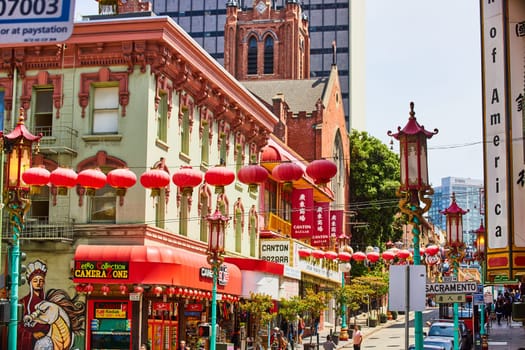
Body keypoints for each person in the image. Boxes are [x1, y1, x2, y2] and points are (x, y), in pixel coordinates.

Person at [18, 259, 51, 350]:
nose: (38, 283)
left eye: (41, 280)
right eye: (35, 280)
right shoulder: (23, 302)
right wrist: (32, 334)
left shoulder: (48, 303)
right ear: (30, 283)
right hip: (29, 343)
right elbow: (17, 327)